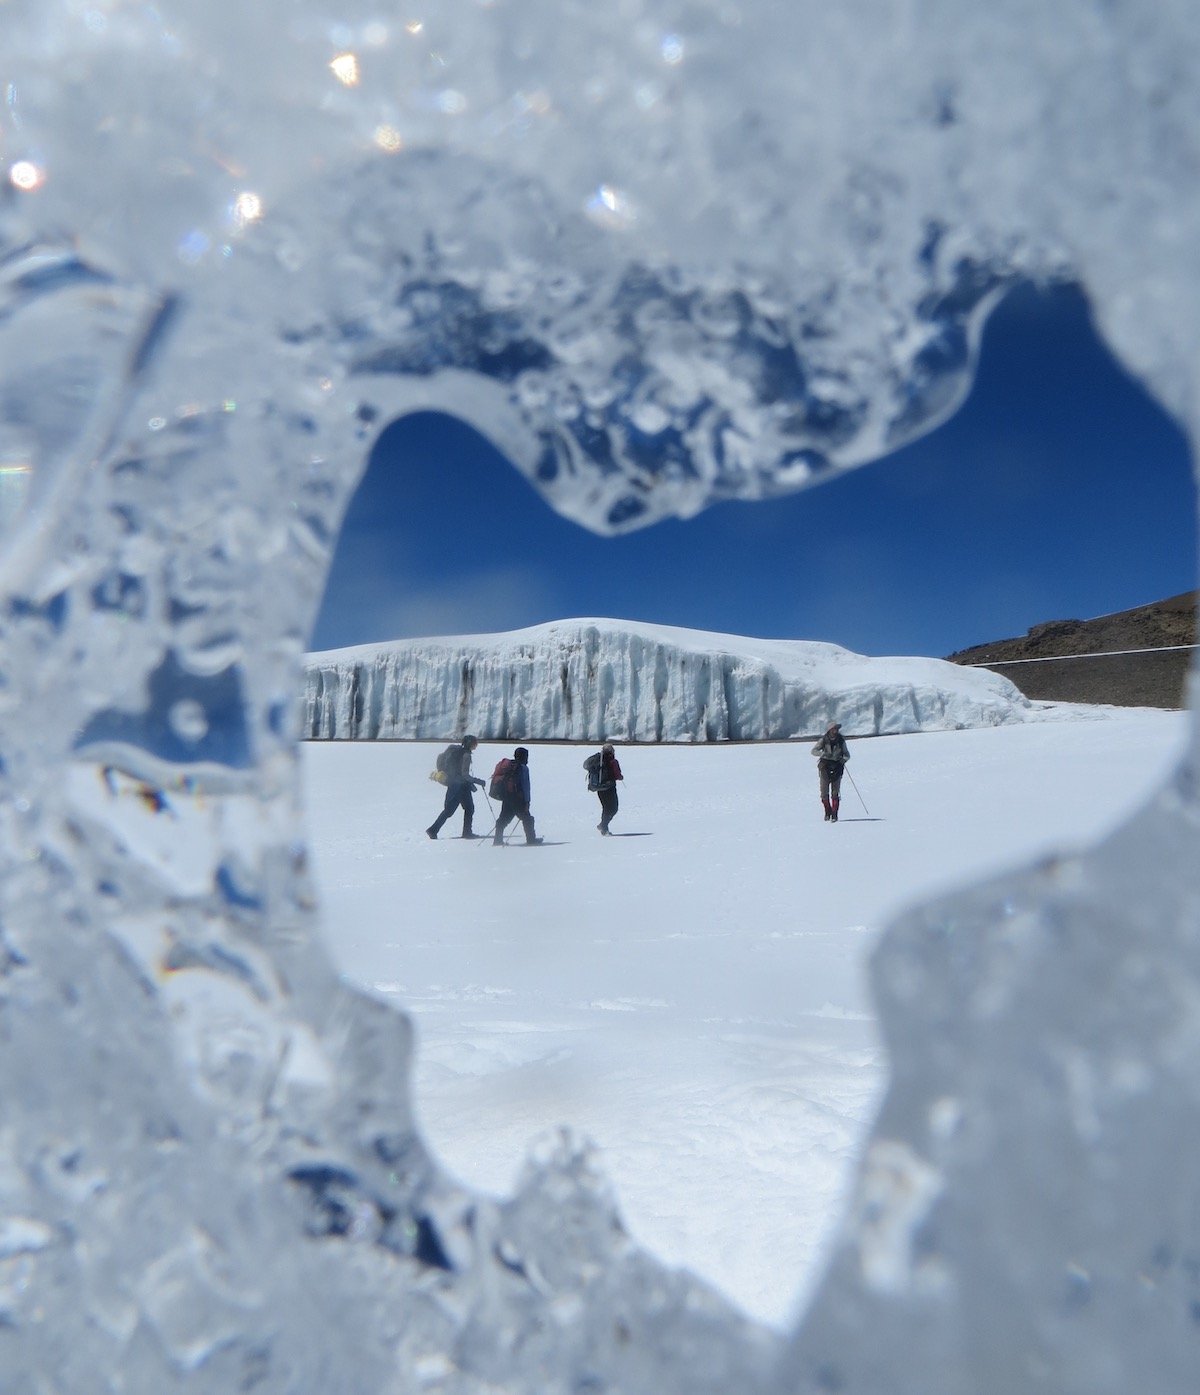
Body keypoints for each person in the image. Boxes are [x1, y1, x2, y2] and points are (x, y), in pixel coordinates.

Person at [426, 734, 485, 839]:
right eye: (474, 744)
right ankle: (433, 830)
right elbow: (465, 774)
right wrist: (478, 781)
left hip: (455, 784)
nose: (475, 746)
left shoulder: (458, 752)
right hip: (460, 787)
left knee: (466, 808)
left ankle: (466, 832)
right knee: (455, 810)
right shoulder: (466, 755)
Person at [492, 746, 543, 845]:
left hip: (507, 796)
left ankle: (497, 840)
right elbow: (525, 786)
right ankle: (531, 840)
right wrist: (527, 802)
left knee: (503, 818)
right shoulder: (523, 768)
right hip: (518, 799)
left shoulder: (510, 766)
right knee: (527, 818)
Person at [811, 721, 850, 821]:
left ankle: (834, 814)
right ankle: (827, 812)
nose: (836, 730)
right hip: (825, 767)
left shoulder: (841, 741)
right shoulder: (823, 740)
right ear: (830, 730)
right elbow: (813, 751)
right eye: (834, 728)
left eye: (836, 729)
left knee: (835, 792)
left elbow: (847, 755)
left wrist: (842, 760)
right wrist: (823, 754)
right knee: (824, 792)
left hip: (837, 767)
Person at [584, 741, 623, 835]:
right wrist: (620, 777)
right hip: (609, 787)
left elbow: (585, 765)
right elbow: (618, 775)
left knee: (606, 807)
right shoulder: (612, 761)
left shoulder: (597, 760)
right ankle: (603, 826)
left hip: (599, 787)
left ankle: (604, 827)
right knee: (613, 808)